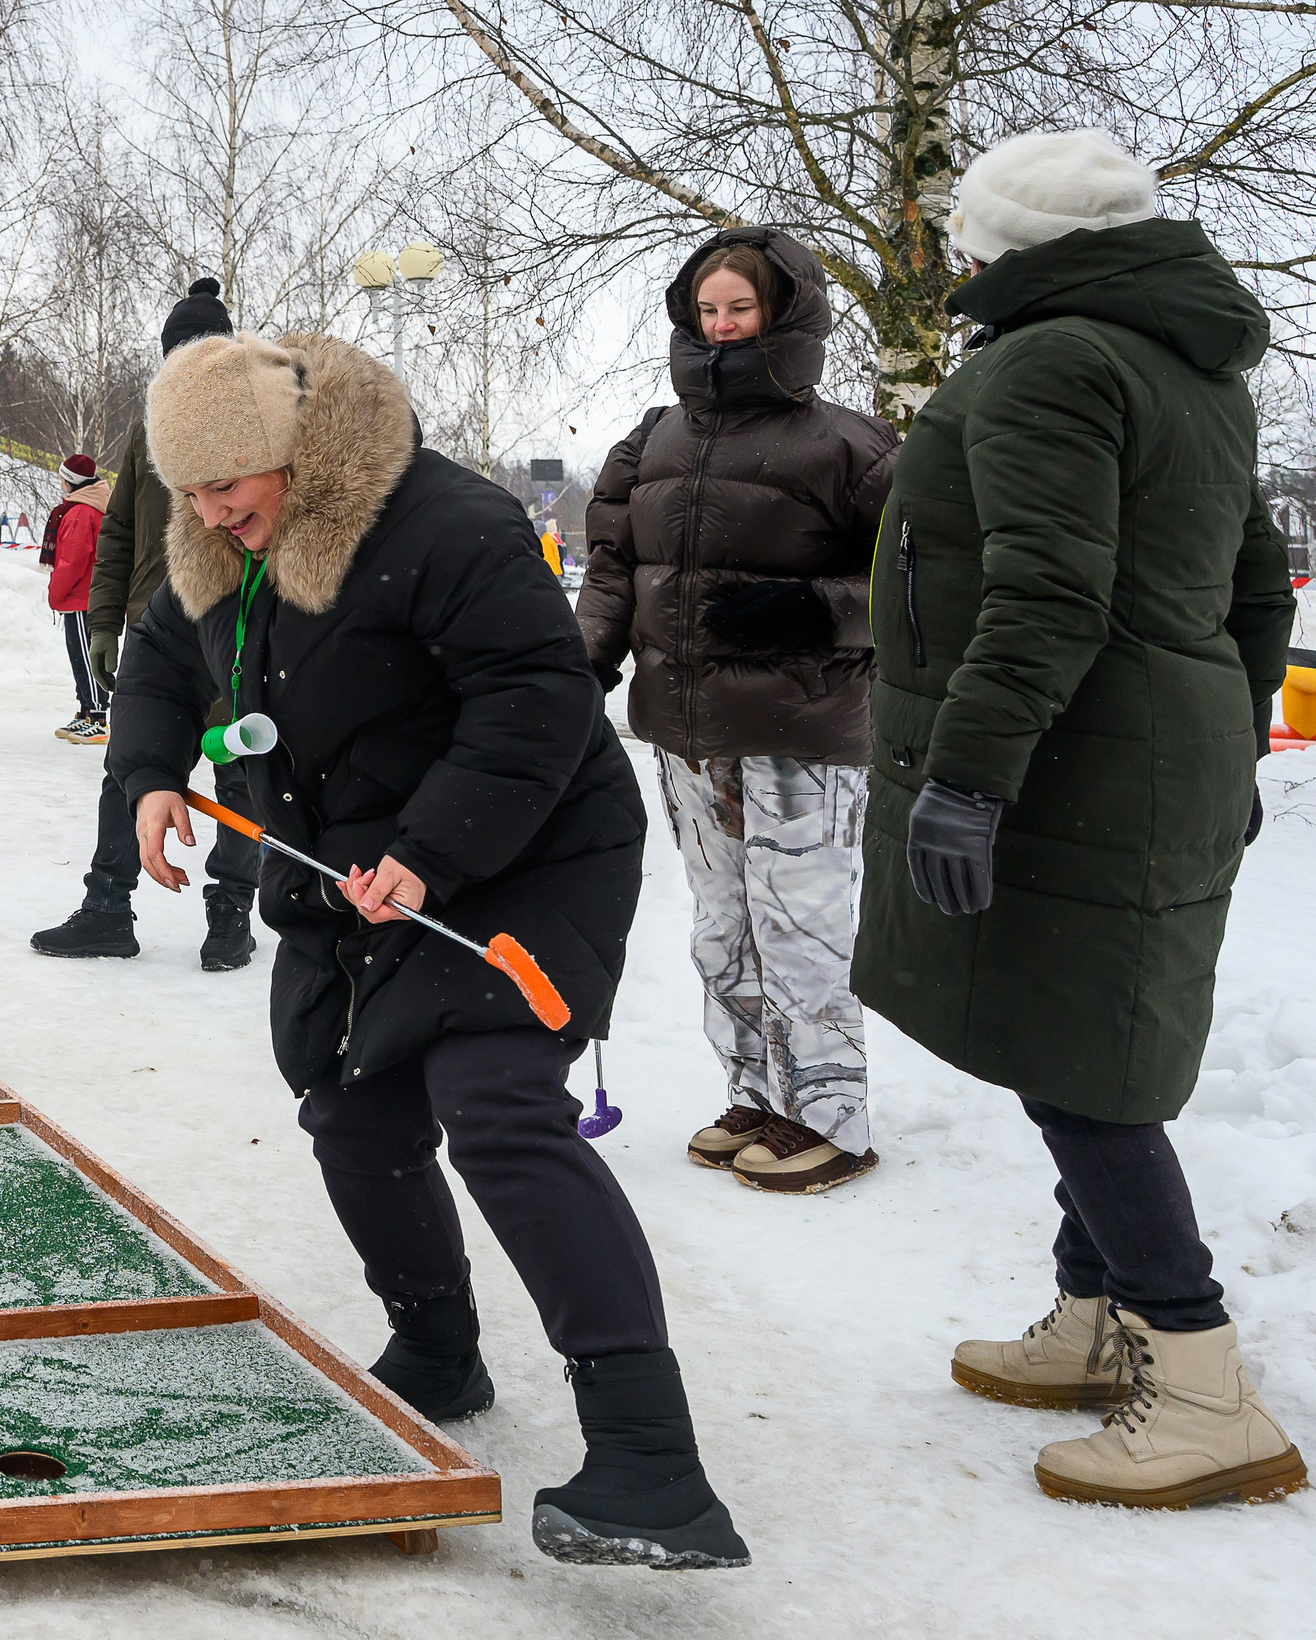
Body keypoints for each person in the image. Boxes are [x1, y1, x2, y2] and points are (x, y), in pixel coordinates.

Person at [109, 327, 749, 1571]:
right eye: (186, 490)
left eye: (225, 483)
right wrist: (147, 773)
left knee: (495, 1102)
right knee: (350, 1102)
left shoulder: (444, 522)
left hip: (519, 849)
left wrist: (434, 850)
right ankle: (436, 1349)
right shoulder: (212, 540)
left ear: (288, 450)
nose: (207, 510)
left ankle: (652, 1463)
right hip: (353, 863)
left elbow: (537, 699)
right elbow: (155, 657)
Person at [858, 131, 1302, 1509]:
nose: (963, 261)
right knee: (1085, 1027)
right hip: (1155, 739)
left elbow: (1048, 592)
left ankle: (1200, 1378)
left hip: (1077, 749)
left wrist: (972, 773)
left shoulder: (1051, 360)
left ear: (1015, 245)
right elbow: (1255, 584)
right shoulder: (1195, 367)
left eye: (974, 239)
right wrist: (1224, 737)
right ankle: (1095, 1312)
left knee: (1083, 1067)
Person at [578, 228, 899, 1194]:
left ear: (784, 314)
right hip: (685, 730)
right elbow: (613, 569)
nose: (720, 328)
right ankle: (758, 1092)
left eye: (740, 310)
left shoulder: (849, 442)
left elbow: (924, 586)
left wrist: (818, 608)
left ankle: (830, 1114)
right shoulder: (654, 437)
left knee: (797, 927)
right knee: (722, 924)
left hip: (803, 730)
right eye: (706, 310)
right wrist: (582, 662)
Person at [36, 279, 261, 972]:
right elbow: (120, 531)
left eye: (201, 350)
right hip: (154, 628)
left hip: (230, 628)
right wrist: (103, 622)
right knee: (128, 767)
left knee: (240, 771)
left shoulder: (255, 426)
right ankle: (108, 906)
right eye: (176, 353)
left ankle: (230, 915)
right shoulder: (149, 432)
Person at [40, 454, 108, 741]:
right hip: (86, 596)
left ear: (70, 481)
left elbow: (72, 560)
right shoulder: (87, 508)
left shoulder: (82, 512)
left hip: (82, 598)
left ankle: (98, 716)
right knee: (80, 656)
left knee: (86, 656)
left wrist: (56, 591)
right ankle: (85, 709)